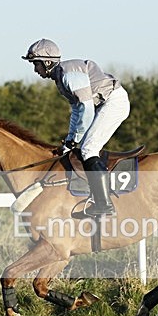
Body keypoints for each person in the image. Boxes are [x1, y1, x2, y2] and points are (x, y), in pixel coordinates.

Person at [22, 38, 130, 216]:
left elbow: (86, 110)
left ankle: (104, 205)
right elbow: (77, 110)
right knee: (85, 147)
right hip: (104, 103)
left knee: (89, 149)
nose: (35, 70)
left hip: (113, 102)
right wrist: (71, 140)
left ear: (48, 62)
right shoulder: (61, 78)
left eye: (36, 64)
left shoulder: (68, 74)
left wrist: (76, 139)